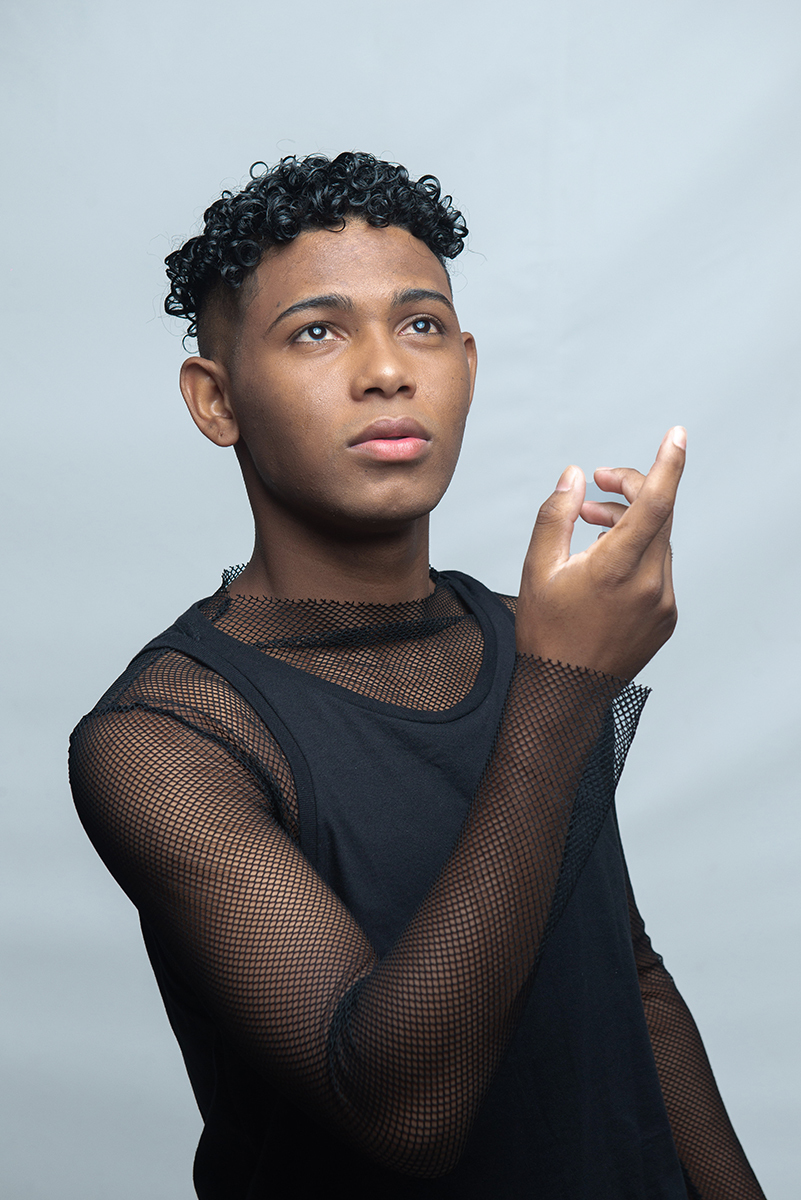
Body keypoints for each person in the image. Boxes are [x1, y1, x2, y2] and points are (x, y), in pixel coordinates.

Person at [69, 152, 765, 1199]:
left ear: (470, 366)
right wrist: (566, 685)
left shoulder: (525, 642)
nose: (388, 369)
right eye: (317, 330)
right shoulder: (162, 740)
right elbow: (404, 1111)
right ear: (216, 402)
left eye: (422, 324)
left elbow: (625, 977)